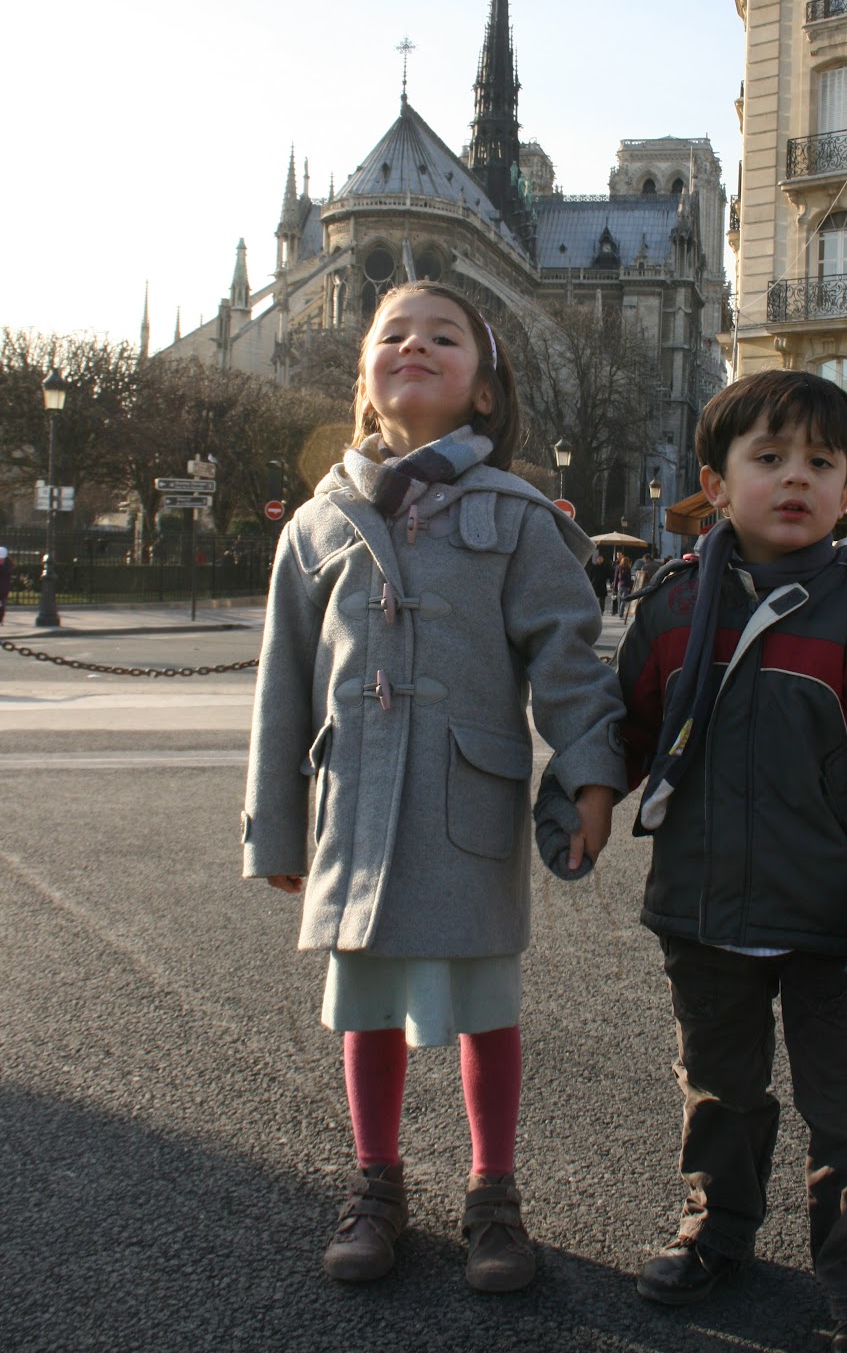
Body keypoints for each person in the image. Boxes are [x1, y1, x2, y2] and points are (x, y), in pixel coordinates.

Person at [242, 282, 625, 1293]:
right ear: (364, 379)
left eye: (442, 336)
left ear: (485, 391)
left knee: (486, 1008)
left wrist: (590, 776)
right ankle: (376, 1185)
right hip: (356, 806)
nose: (414, 346)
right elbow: (281, 688)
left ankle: (493, 1193)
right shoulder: (315, 524)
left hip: (467, 807)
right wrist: (275, 829)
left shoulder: (519, 515)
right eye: (393, 334)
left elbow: (568, 660)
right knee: (364, 1005)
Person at [616, 369, 847, 1353]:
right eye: (768, 457)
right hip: (701, 909)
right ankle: (716, 1229)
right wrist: (577, 797)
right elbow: (625, 726)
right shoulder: (672, 605)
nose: (796, 476)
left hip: (834, 921)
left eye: (820, 460)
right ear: (715, 485)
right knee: (718, 1088)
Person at [0, 546, 12, 623]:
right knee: (2, 603)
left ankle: (1, 617)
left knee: (2, 603)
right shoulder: (9, 564)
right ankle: (1, 618)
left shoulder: (7, 565)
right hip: (4, 587)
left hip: (3, 587)